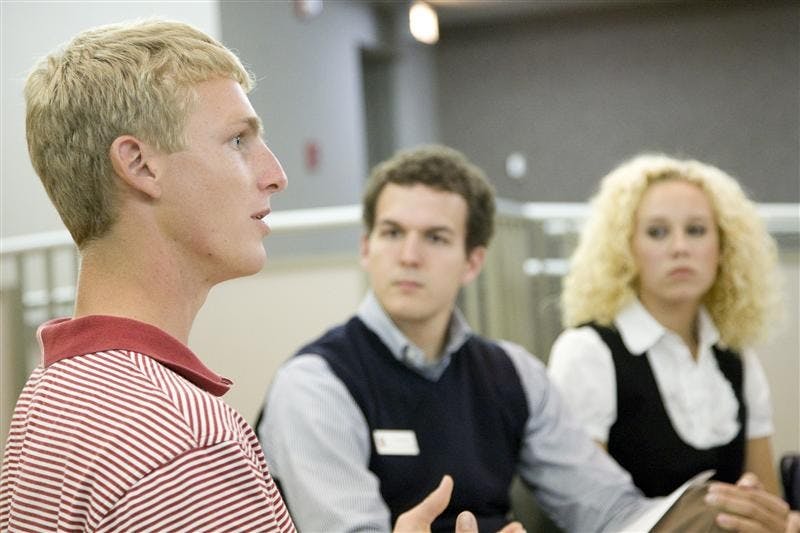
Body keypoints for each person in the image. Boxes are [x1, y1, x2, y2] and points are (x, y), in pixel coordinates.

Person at [0, 20, 482, 533]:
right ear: (139, 165)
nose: (275, 173)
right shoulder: (183, 441)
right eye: (237, 140)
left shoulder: (51, 394)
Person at [258, 145, 795, 532]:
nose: (409, 256)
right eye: (392, 233)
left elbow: (607, 509)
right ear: (365, 248)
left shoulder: (511, 373)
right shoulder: (316, 385)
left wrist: (710, 514)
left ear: (474, 261)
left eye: (436, 237)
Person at [548, 153, 783, 501]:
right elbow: (585, 510)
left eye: (697, 230)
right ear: (625, 247)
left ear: (723, 247)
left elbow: (769, 505)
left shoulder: (736, 358)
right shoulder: (587, 352)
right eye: (657, 232)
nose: (680, 247)